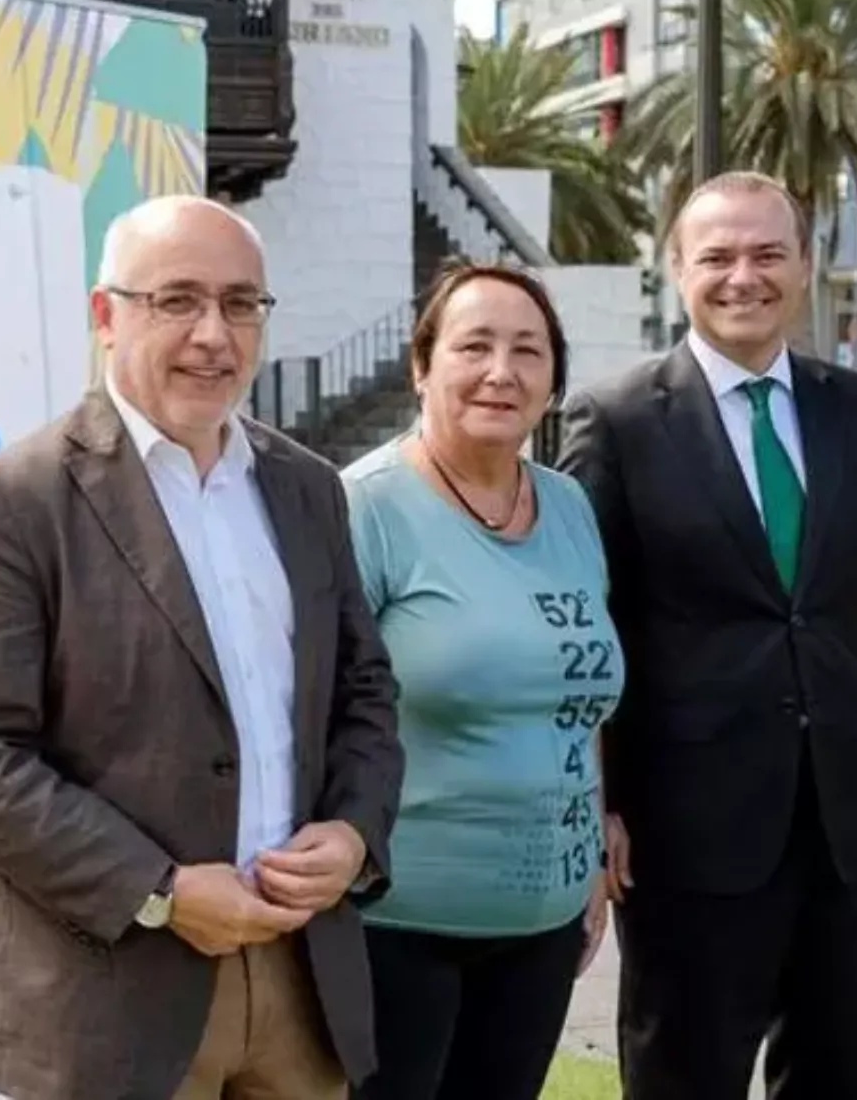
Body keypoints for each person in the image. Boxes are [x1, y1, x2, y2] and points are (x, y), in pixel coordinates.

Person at [0, 194, 405, 1099]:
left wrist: (352, 832)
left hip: (302, 984)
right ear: (106, 316)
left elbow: (365, 692)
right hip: (108, 994)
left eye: (240, 303)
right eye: (177, 300)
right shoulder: (15, 500)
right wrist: (159, 890)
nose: (214, 334)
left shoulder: (307, 489)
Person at [558, 170, 857, 1100]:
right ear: (678, 271)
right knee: (684, 1076)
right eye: (718, 257)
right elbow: (587, 632)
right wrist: (595, 800)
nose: (744, 276)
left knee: (837, 1075)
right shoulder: (616, 419)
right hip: (682, 832)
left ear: (805, 265)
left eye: (768, 253)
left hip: (842, 822)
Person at [340, 263, 621, 1100]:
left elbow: (578, 701)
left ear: (553, 380)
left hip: (544, 927)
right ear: (421, 366)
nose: (502, 371)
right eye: (474, 346)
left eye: (528, 351)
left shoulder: (569, 506)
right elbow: (317, 715)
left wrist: (590, 852)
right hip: (396, 927)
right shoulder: (365, 507)